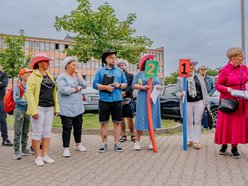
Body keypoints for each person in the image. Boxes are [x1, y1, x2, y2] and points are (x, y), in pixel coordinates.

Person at [26, 53, 60, 166]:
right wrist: (33, 110)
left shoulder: (49, 75)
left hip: (49, 107)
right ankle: (37, 157)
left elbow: (54, 92)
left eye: (48, 61)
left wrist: (56, 108)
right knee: (37, 133)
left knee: (47, 132)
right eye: (46, 61)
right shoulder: (33, 76)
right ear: (39, 63)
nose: (48, 63)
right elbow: (29, 94)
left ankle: (45, 155)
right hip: (39, 108)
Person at [214, 47, 248, 159]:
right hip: (228, 102)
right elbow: (217, 85)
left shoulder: (244, 68)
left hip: (241, 102)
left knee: (237, 126)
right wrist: (226, 89)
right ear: (233, 58)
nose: (242, 57)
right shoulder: (225, 70)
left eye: (242, 55)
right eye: (240, 56)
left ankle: (234, 148)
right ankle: (224, 145)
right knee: (227, 125)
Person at [93, 49, 127, 153]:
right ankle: (104, 144)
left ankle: (117, 143)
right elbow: (95, 85)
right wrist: (105, 87)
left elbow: (125, 84)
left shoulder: (119, 71)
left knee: (117, 123)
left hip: (117, 100)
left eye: (115, 58)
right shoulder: (100, 71)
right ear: (106, 59)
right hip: (104, 100)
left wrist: (120, 85)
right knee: (104, 123)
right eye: (111, 58)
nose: (114, 59)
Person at [57, 57, 87, 157]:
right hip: (66, 107)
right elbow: (63, 90)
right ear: (67, 66)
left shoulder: (76, 76)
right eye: (73, 65)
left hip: (77, 106)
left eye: (76, 65)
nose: (75, 67)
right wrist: (76, 89)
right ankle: (66, 148)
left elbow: (85, 85)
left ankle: (78, 144)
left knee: (78, 126)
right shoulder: (62, 77)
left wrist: (79, 76)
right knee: (67, 127)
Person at [176, 61, 209, 150]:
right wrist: (180, 95)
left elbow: (205, 90)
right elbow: (177, 91)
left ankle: (197, 140)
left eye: (193, 65)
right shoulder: (181, 78)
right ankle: (189, 139)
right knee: (188, 122)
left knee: (197, 121)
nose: (192, 67)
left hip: (199, 101)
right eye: (190, 65)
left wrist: (206, 102)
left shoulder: (199, 77)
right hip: (187, 102)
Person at [132, 55, 161, 151]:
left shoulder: (155, 73)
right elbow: (134, 85)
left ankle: (151, 141)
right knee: (141, 118)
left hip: (154, 98)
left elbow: (159, 83)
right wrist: (143, 87)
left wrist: (158, 87)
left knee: (153, 118)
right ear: (145, 63)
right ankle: (137, 141)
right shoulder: (139, 73)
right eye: (148, 61)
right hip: (143, 98)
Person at [13, 68, 34, 160]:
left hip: (28, 111)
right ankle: (16, 151)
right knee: (18, 131)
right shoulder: (18, 86)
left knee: (25, 131)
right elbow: (16, 100)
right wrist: (29, 103)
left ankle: (24, 149)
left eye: (30, 74)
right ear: (21, 75)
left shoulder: (30, 85)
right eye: (27, 74)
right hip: (19, 110)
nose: (29, 75)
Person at [116, 59, 136, 143]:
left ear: (125, 66)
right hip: (118, 98)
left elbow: (132, 86)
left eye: (122, 65)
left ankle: (133, 135)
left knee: (130, 118)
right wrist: (120, 93)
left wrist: (125, 92)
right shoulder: (116, 76)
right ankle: (123, 135)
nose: (121, 67)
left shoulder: (131, 76)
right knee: (121, 118)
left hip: (129, 99)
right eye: (119, 66)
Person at [0, 66, 13, 146]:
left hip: (1, 100)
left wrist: (1, 84)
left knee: (2, 119)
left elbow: (4, 84)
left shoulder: (4, 74)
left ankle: (5, 139)